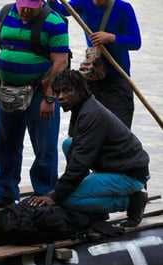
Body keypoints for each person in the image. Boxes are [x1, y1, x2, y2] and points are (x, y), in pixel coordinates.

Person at [29, 69, 149, 228]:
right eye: (57, 92)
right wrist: (69, 182)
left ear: (80, 90)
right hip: (111, 164)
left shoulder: (91, 114)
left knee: (69, 200)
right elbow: (77, 152)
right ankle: (94, 199)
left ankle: (132, 201)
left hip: (129, 174)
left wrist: (57, 195)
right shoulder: (80, 107)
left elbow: (80, 161)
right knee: (68, 144)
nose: (60, 97)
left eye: (67, 91)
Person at [0, 0, 69, 207]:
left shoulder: (54, 22)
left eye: (31, 5)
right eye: (23, 5)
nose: (26, 10)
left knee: (44, 146)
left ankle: (45, 193)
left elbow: (61, 62)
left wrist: (50, 98)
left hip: (39, 93)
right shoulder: (4, 14)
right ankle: (4, 194)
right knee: (5, 144)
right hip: (8, 90)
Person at [48, 0, 141, 129]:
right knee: (83, 129)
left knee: (119, 129)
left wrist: (111, 38)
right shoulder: (83, 2)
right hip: (92, 76)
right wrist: (51, 1)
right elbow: (60, 11)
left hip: (118, 78)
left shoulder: (124, 8)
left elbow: (136, 42)